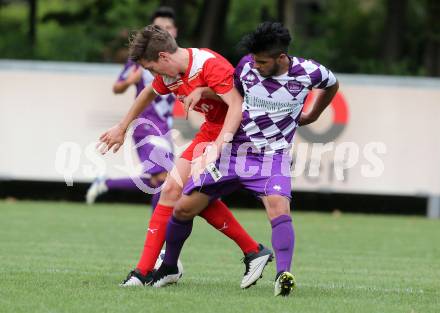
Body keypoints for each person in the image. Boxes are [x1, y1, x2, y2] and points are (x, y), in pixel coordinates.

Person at [150, 22, 339, 297]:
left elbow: (331, 85)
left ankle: (283, 275)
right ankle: (169, 267)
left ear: (281, 58)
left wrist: (314, 114)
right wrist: (204, 91)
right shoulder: (247, 66)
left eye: (263, 61)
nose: (257, 65)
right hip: (235, 151)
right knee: (183, 209)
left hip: (272, 157)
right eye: (255, 60)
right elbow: (232, 97)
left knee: (278, 207)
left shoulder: (310, 72)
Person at [98, 24, 273, 288]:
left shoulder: (208, 64)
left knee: (188, 198)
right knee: (172, 191)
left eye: (151, 68)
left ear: (164, 58)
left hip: (238, 136)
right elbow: (148, 93)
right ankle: (144, 271)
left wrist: (218, 146)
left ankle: (165, 267)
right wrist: (122, 127)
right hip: (210, 132)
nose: (151, 74)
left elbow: (237, 105)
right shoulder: (170, 74)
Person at [86, 7, 178, 209]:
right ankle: (158, 233)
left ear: (175, 31)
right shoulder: (142, 60)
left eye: (168, 27)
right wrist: (130, 80)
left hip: (165, 125)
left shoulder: (178, 60)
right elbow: (116, 88)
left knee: (164, 181)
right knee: (166, 177)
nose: (164, 31)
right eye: (159, 28)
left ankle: (105, 183)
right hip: (146, 123)